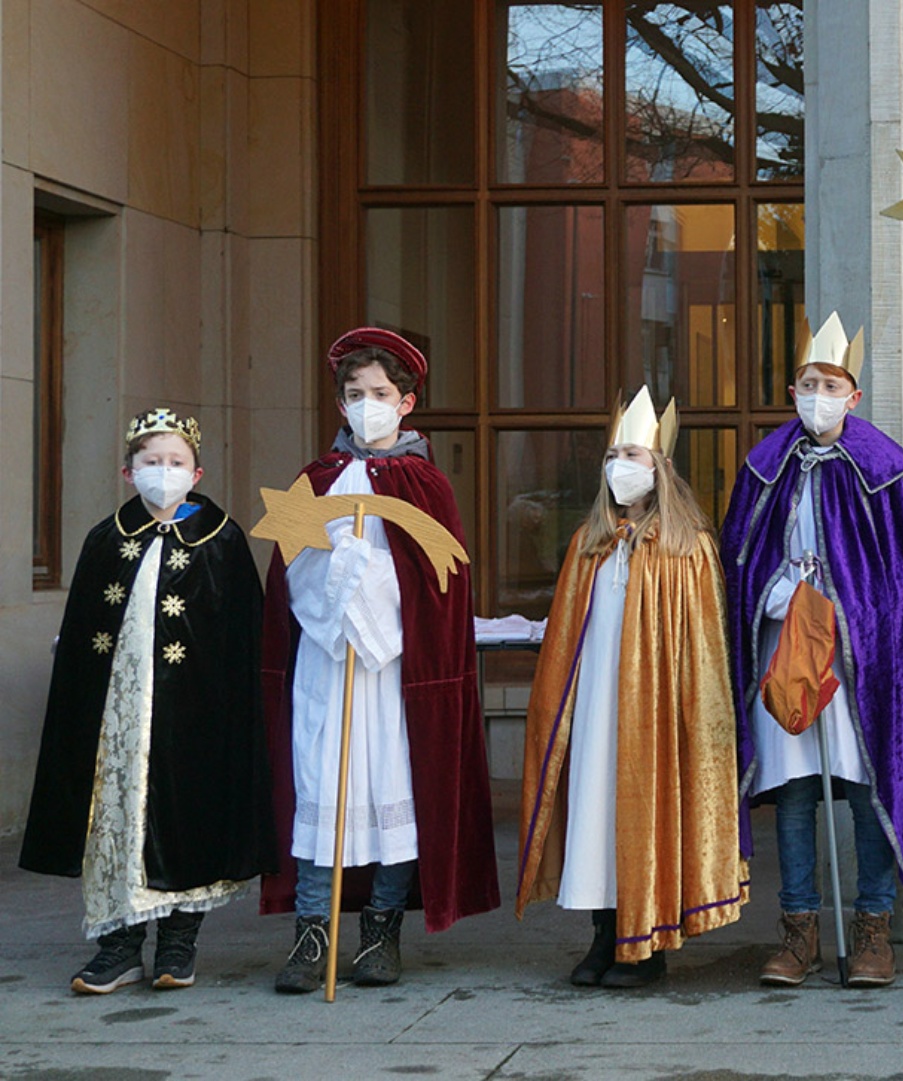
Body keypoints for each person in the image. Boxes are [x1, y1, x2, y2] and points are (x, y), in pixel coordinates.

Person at [261, 328, 499, 993]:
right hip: (327, 662)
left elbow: (438, 589)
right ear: (340, 404)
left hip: (393, 668)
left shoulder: (427, 486)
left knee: (391, 785)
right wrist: (334, 585)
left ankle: (381, 932)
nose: (369, 404)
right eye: (356, 394)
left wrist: (373, 598)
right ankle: (312, 934)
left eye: (381, 393)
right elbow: (288, 578)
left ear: (407, 402)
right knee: (320, 788)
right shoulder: (314, 482)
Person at [721, 313, 903, 989]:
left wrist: (849, 609)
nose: (817, 393)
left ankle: (873, 928)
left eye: (831, 383)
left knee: (863, 785)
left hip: (859, 661)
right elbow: (739, 560)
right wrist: (779, 590)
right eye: (808, 381)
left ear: (854, 396)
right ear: (793, 388)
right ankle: (798, 933)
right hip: (784, 649)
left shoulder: (884, 467)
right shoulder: (765, 467)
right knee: (793, 791)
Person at [20, 409, 273, 994]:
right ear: (128, 472)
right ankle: (119, 944)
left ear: (198, 472)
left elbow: (243, 634)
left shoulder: (223, 540)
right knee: (114, 815)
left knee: (188, 814)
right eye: (151, 463)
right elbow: (86, 627)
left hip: (196, 715)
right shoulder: (106, 539)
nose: (164, 472)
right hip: (118, 716)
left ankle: (179, 941)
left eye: (175, 463)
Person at [516, 388, 748, 988]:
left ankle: (646, 946)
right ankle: (603, 934)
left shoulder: (686, 546)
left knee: (645, 813)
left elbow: (702, 650)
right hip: (596, 702)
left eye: (636, 455)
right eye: (615, 454)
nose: (622, 465)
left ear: (661, 468)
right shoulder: (589, 544)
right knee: (596, 813)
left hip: (654, 709)